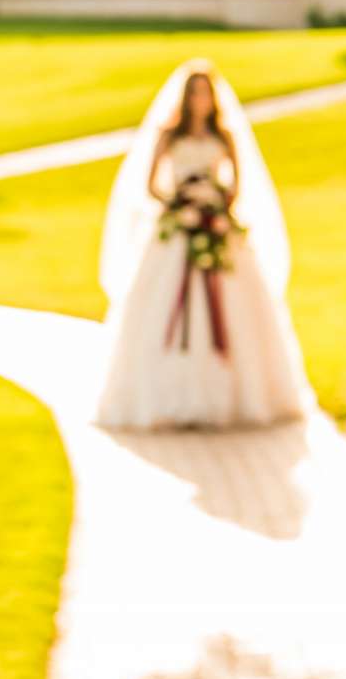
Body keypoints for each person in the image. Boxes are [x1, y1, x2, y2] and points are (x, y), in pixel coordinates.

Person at [93, 59, 310, 429]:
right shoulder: (168, 137)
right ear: (185, 97)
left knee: (233, 309)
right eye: (195, 93)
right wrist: (178, 206)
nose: (200, 100)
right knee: (163, 312)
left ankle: (234, 398)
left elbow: (236, 186)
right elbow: (150, 186)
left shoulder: (224, 137)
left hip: (215, 226)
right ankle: (167, 398)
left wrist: (215, 206)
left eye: (205, 93)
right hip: (176, 232)